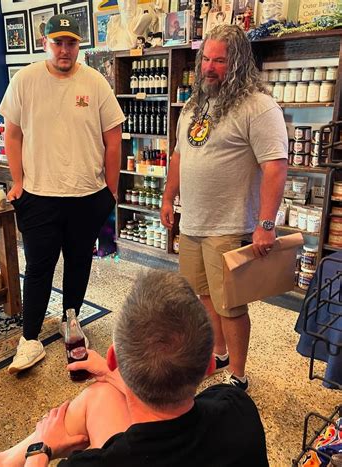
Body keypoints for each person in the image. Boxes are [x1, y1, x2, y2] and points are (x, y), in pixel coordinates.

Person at [0, 271, 269, 466]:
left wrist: (41, 449)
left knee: (95, 399)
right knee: (101, 394)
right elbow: (164, 408)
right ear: (210, 363)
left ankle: (2, 463)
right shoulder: (237, 407)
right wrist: (109, 375)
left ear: (113, 356)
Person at [160, 25, 288, 392]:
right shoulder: (194, 105)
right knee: (203, 296)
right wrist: (168, 197)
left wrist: (266, 223)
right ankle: (217, 354)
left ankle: (238, 375)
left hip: (229, 226)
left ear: (239, 63)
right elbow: (179, 156)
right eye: (206, 59)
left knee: (230, 305)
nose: (209, 67)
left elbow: (276, 166)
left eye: (219, 60)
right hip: (193, 223)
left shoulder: (258, 106)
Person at [0, 14, 124, 375]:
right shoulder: (25, 81)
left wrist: (111, 190)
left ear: (79, 46)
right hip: (39, 194)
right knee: (39, 267)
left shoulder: (95, 82)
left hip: (87, 194)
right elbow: (13, 134)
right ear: (45, 44)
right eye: (58, 42)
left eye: (71, 43)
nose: (64, 50)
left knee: (79, 262)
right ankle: (29, 339)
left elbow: (113, 139)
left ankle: (72, 323)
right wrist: (17, 181)